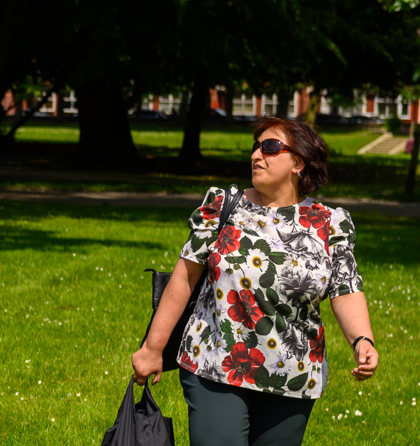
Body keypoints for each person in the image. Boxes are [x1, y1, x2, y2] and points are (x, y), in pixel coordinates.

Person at [131, 117, 379, 446]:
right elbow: (183, 279)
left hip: (293, 374)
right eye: (255, 147)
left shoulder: (329, 224)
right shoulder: (223, 208)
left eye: (270, 147)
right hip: (215, 362)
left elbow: (345, 289)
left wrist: (363, 340)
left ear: (298, 162)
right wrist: (152, 348)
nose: (256, 155)